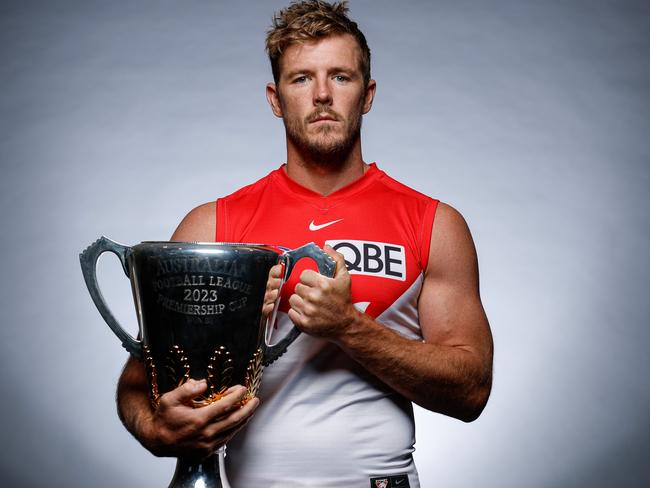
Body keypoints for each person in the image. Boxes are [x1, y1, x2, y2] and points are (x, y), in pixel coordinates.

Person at [117, 1, 493, 486]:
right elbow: (137, 380)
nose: (321, 95)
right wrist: (156, 428)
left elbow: (472, 390)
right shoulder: (213, 227)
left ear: (368, 94)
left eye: (340, 76)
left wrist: (348, 327)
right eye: (301, 79)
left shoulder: (433, 223)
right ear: (276, 99)